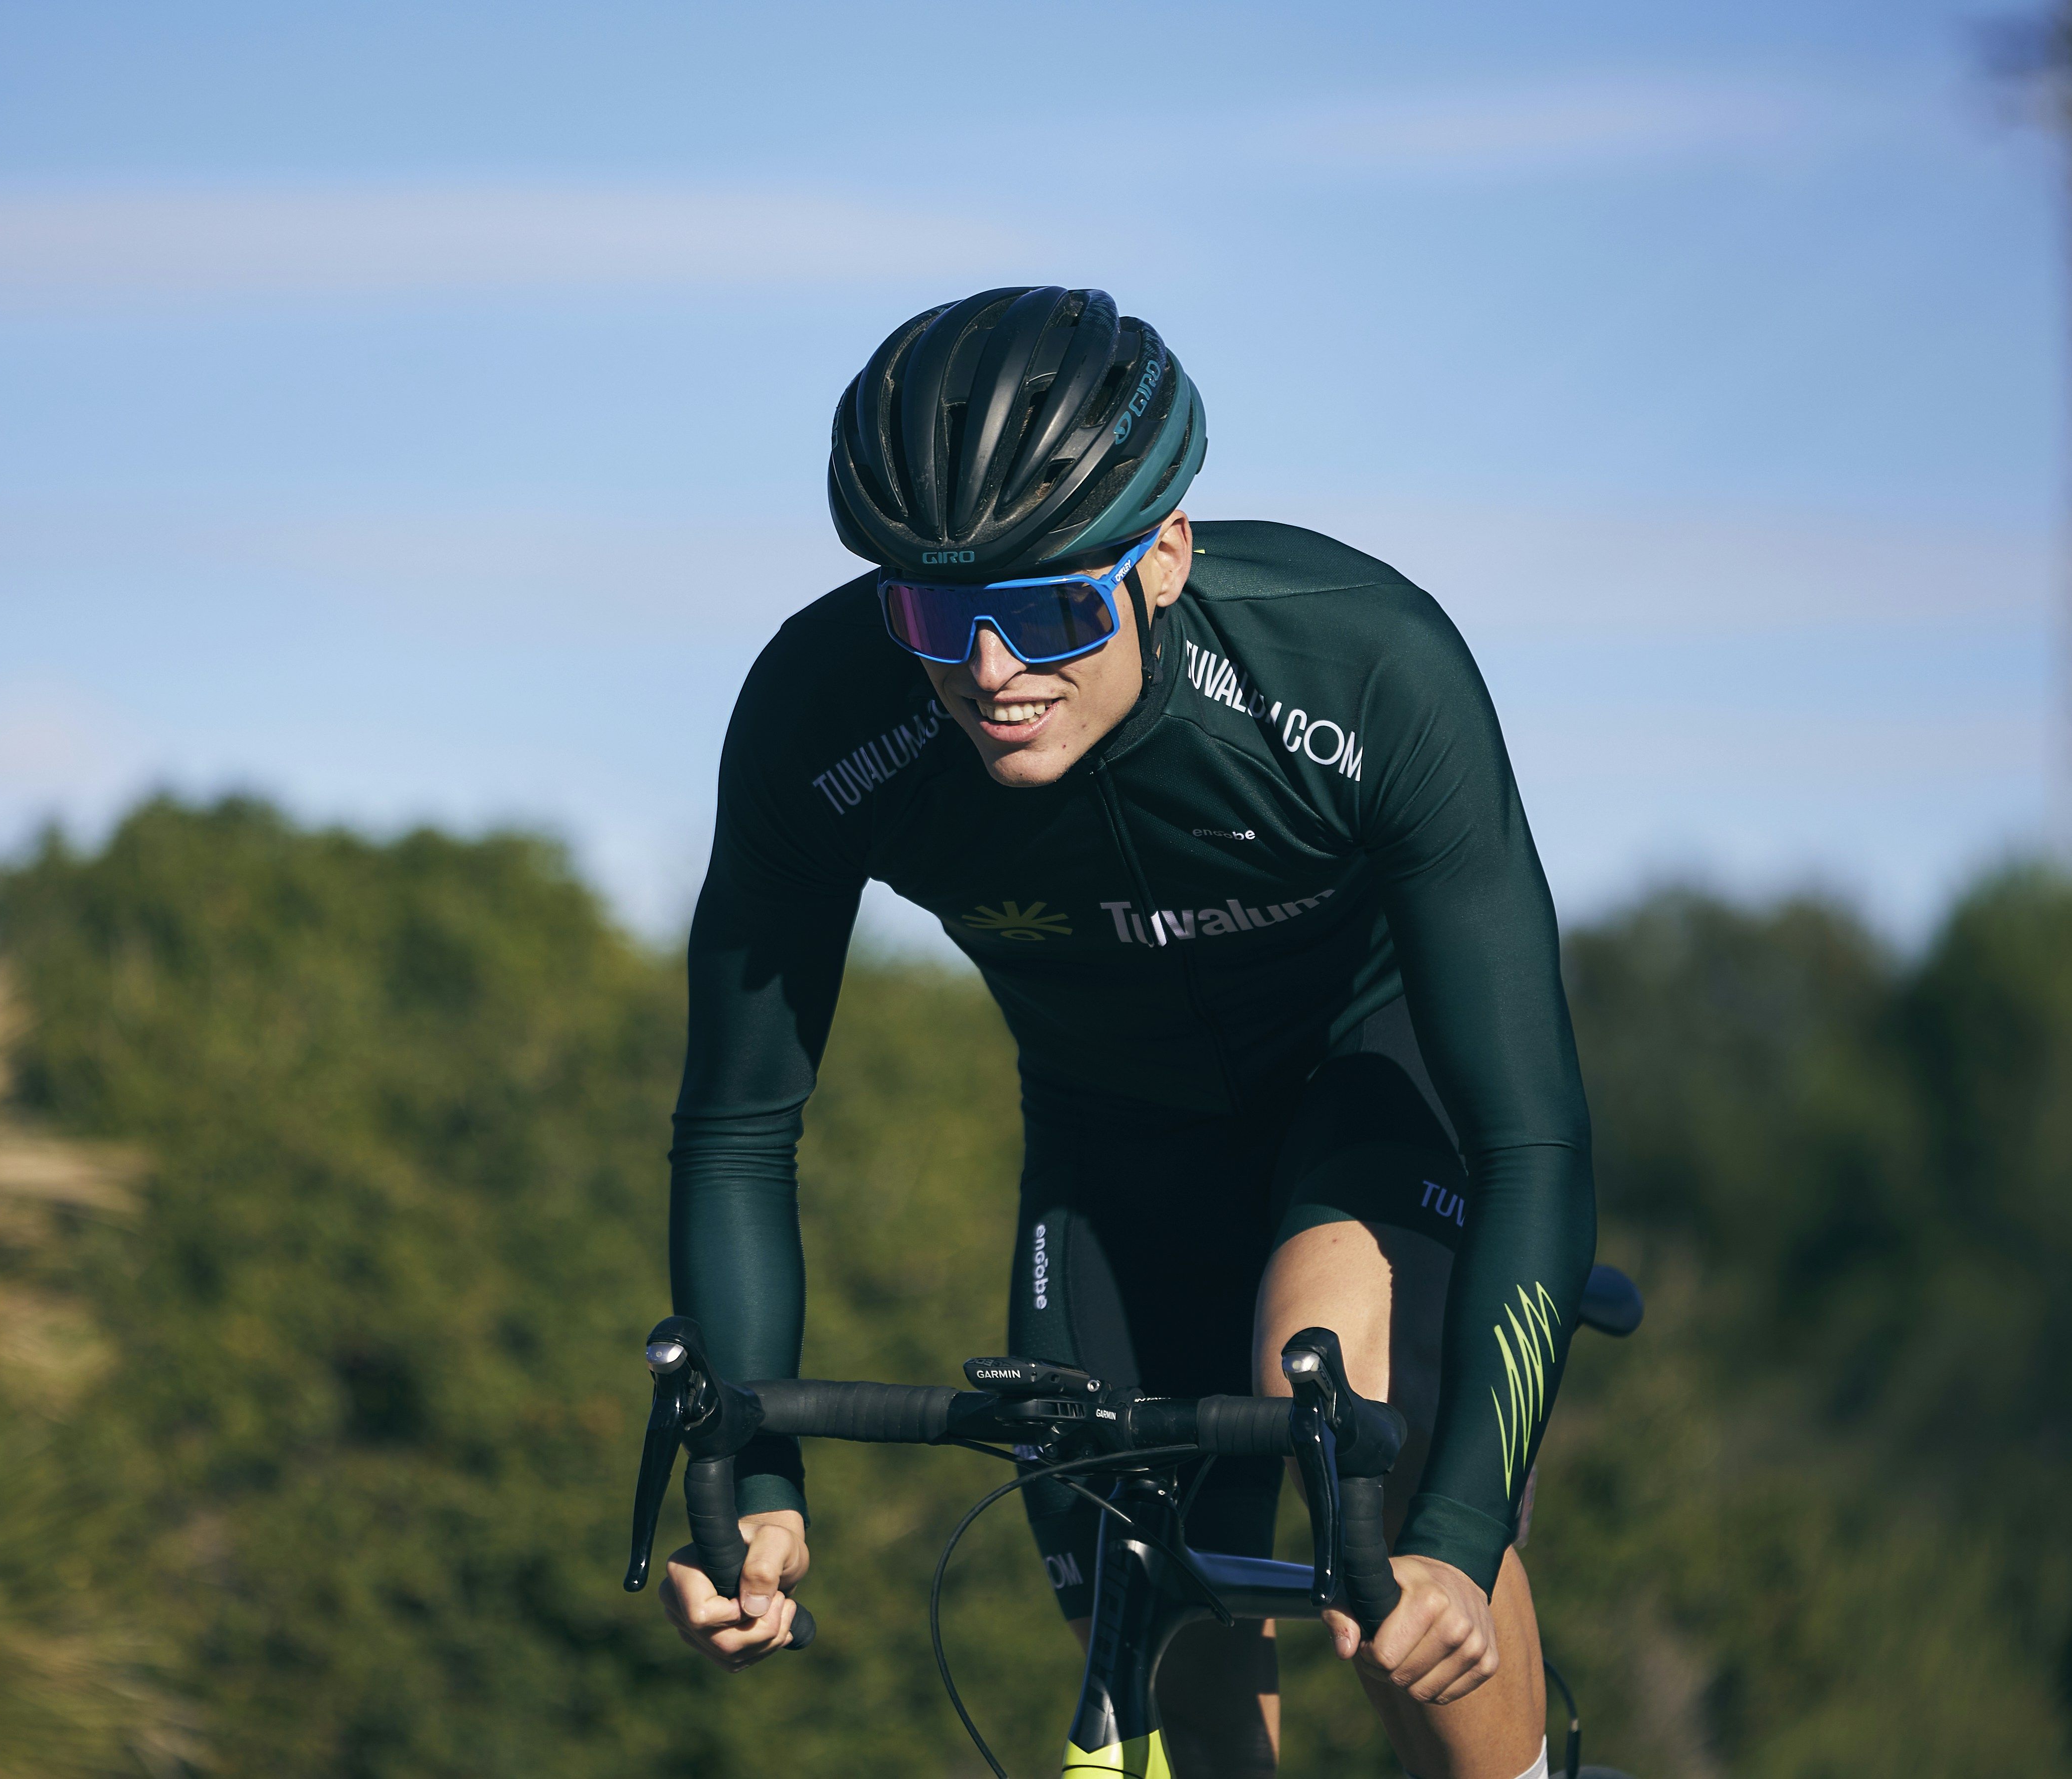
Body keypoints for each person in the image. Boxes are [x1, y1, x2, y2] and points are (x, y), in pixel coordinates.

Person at [659, 285, 1594, 1779]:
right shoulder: (820, 716)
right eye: (933, 615)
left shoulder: (1361, 666)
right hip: (1114, 1138)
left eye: (1046, 611)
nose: (988, 673)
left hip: (1365, 1082)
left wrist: (1464, 1531)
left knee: (1334, 1410)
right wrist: (757, 1481)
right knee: (1139, 1589)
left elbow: (1534, 1140)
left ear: (1162, 556)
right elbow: (737, 1129)